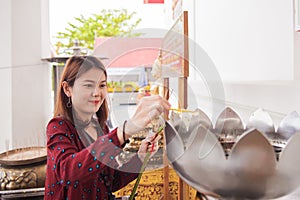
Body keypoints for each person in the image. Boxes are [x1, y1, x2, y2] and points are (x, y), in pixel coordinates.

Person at [44, 56, 170, 200]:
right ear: (67, 89)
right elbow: (69, 173)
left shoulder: (101, 128)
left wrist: (140, 157)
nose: (97, 93)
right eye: (88, 85)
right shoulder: (58, 127)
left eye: (102, 85)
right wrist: (123, 131)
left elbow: (110, 181)